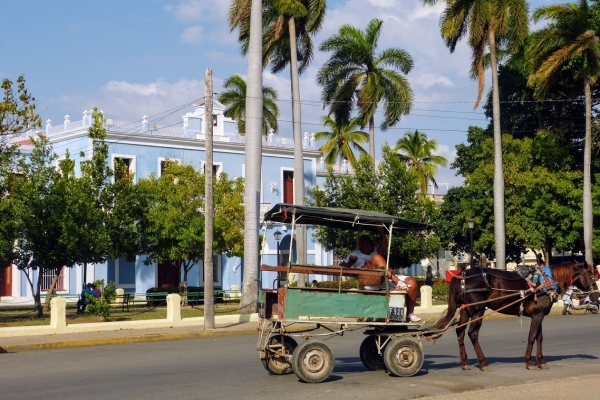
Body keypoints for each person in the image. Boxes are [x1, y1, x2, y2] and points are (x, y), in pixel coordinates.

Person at [340, 228, 421, 322]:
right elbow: (342, 267)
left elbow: (383, 246)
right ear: (363, 245)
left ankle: (410, 314)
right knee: (376, 257)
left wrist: (381, 231)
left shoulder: (375, 251)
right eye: (369, 243)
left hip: (384, 277)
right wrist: (350, 263)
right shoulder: (355, 254)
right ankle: (396, 281)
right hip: (368, 280)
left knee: (411, 282)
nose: (372, 245)